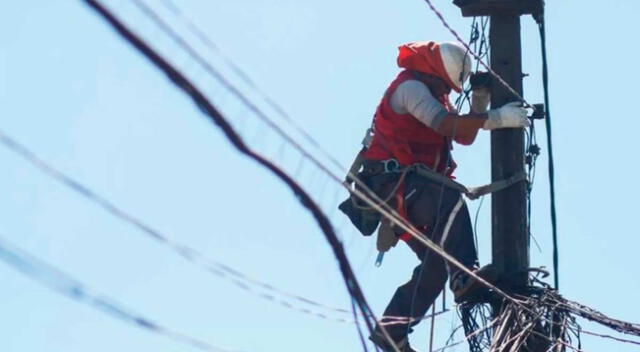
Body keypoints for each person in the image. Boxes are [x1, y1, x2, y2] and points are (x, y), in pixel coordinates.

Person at [340, 41, 529, 351]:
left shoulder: (435, 93)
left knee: (437, 262)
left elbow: (463, 134)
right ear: (431, 70)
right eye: (444, 83)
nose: (446, 90)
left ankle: (391, 331)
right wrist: (498, 118)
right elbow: (443, 123)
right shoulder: (410, 89)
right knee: (450, 200)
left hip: (407, 191)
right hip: (395, 185)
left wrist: (480, 101)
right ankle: (464, 275)